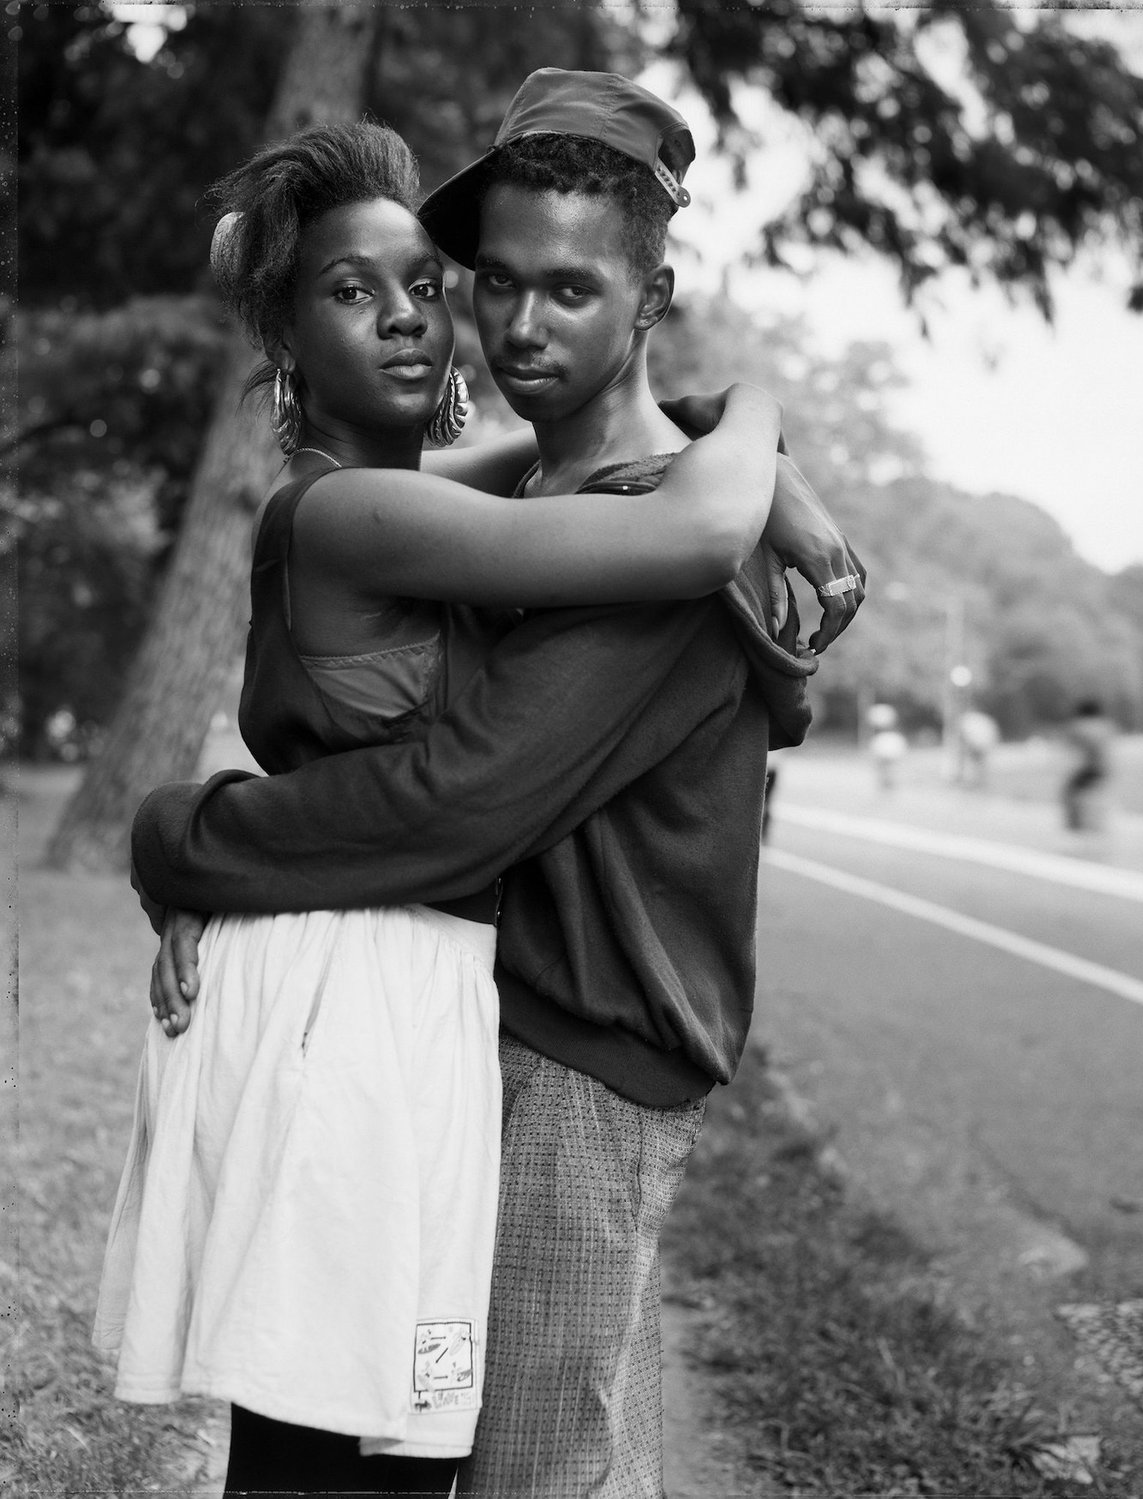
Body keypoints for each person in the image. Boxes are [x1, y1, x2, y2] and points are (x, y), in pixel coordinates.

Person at [132, 69, 865, 1497]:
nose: (511, 325)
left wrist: (185, 838)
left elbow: (457, 797)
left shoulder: (653, 531)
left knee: (530, 1468)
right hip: (451, 1028)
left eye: (573, 290)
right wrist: (745, 421)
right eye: (498, 283)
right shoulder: (511, 498)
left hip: (580, 1059)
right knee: (368, 1442)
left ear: (649, 297)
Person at [1062, 698, 1113, 831]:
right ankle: (1086, 825)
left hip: (1089, 770)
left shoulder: (1082, 727)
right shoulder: (1105, 726)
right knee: (1085, 797)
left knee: (1071, 795)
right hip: (1102, 770)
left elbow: (1069, 745)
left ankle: (1076, 827)